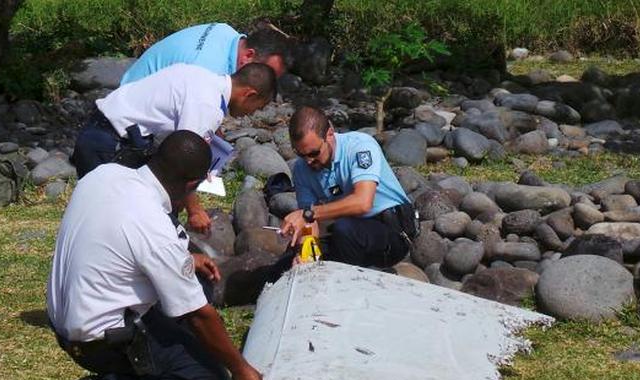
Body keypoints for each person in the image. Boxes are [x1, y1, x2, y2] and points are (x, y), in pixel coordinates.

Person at [48, 130, 270, 380]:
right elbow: (198, 316)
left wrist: (187, 259)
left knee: (198, 282)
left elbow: (117, 242)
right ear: (192, 184)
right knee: (208, 379)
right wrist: (241, 369)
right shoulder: (152, 224)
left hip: (66, 319)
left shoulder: (104, 174)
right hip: (97, 341)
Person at [71, 62, 277, 233]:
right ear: (250, 94)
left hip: (100, 130)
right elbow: (183, 163)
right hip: (111, 144)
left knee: (105, 217)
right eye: (256, 108)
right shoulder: (207, 105)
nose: (250, 114)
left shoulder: (201, 75)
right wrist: (195, 211)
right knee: (112, 223)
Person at [279, 105, 416, 268]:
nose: (308, 161)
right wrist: (305, 254)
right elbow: (309, 224)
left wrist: (308, 213)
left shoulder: (360, 146)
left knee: (344, 230)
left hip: (393, 232)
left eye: (314, 153)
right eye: (301, 154)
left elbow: (363, 203)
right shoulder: (302, 169)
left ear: (329, 134)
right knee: (289, 259)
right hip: (352, 232)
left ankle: (350, 285)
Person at [120, 23, 288, 85]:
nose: (267, 85)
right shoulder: (208, 71)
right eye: (268, 75)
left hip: (134, 83)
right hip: (129, 118)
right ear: (248, 56)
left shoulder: (225, 31)